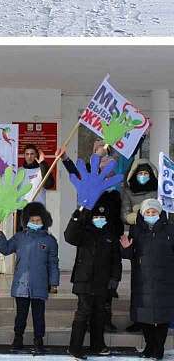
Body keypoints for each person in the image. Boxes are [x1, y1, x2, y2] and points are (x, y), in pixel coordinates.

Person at [60, 140, 123, 330]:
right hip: (88, 236)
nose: (106, 169)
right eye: (102, 163)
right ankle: (87, 321)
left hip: (108, 238)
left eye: (109, 167)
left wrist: (116, 234)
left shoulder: (114, 194)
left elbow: (117, 217)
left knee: (107, 284)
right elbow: (74, 173)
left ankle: (106, 319)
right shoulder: (89, 182)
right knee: (89, 281)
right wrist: (65, 158)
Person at [0, 201, 60, 353]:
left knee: (38, 315)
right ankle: (18, 337)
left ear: (44, 221)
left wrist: (54, 283)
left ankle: (39, 339)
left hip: (40, 284)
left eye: (38, 220)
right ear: (26, 221)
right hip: (21, 284)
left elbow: (53, 263)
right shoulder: (19, 237)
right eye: (32, 220)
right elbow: (5, 249)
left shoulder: (50, 241)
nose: (35, 223)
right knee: (21, 314)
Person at [64, 202, 122, 359]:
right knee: (83, 312)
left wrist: (115, 279)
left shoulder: (111, 235)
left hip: (103, 282)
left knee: (99, 313)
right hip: (83, 280)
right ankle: (75, 347)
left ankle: (97, 345)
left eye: (102, 217)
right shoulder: (83, 232)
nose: (99, 219)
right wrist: (76, 217)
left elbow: (116, 260)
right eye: (96, 216)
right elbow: (69, 236)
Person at [120, 199, 174, 360]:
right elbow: (129, 255)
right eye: (148, 212)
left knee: (163, 316)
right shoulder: (136, 230)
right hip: (142, 279)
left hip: (166, 279)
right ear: (142, 214)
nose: (151, 215)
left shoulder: (170, 229)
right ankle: (150, 346)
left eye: (154, 212)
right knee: (144, 316)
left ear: (160, 213)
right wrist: (126, 249)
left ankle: (159, 348)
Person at [18, 144, 55, 223]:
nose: (29, 157)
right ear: (24, 155)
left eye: (32, 154)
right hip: (22, 210)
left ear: (36, 155)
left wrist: (42, 163)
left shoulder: (41, 169)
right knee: (22, 235)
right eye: (27, 154)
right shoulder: (19, 171)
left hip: (38, 211)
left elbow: (49, 185)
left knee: (38, 235)